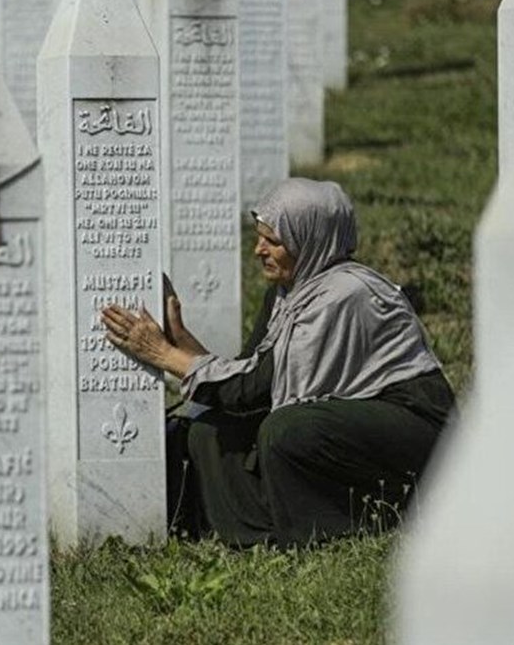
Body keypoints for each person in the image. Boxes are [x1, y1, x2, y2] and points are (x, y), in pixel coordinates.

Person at [101, 178, 456, 547]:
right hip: (350, 415)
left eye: (273, 241)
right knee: (210, 429)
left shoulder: (344, 296)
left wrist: (163, 354)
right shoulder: (290, 294)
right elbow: (247, 376)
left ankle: (349, 524)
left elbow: (254, 389)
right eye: (259, 237)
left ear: (309, 239)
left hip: (413, 428)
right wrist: (180, 340)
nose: (258, 250)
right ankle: (256, 536)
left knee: (286, 429)